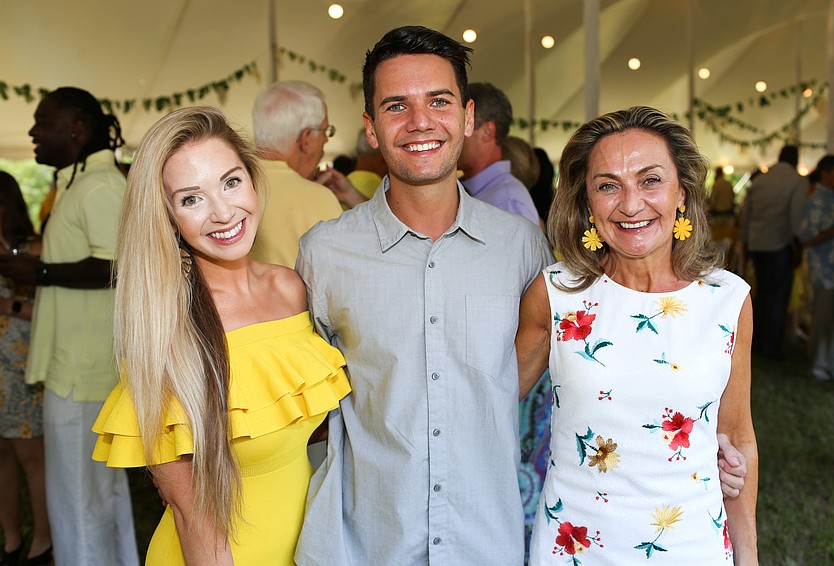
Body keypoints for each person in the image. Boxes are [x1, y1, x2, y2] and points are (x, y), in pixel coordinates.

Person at [293, 26, 554, 565]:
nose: (419, 123)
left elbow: (538, 349)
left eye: (439, 101)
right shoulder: (325, 254)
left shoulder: (522, 247)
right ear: (371, 127)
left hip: (486, 541)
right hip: (371, 542)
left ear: (466, 115)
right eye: (396, 106)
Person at [90, 107, 350, 564]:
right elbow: (193, 515)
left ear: (253, 179)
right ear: (168, 217)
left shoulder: (291, 289)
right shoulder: (166, 330)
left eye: (231, 182)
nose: (224, 211)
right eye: (192, 199)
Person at [517, 106, 758, 564]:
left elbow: (738, 438)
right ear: (587, 204)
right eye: (608, 185)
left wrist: (748, 557)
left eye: (650, 180)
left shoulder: (727, 300)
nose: (631, 205)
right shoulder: (554, 295)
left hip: (691, 547)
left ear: (682, 194)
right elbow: (489, 402)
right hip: (575, 549)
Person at [0, 87, 138, 566]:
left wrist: (36, 272)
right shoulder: (81, 182)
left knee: (78, 503)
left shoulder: (99, 185)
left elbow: (119, 266)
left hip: (84, 375)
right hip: (82, 371)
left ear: (76, 128)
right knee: (99, 496)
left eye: (43, 121)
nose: (34, 132)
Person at [0, 171, 52, 566]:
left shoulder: (33, 249)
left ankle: (44, 540)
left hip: (21, 366)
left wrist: (8, 306)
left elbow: (52, 313)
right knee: (2, 456)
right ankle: (12, 538)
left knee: (31, 457)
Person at [250, 80, 343, 269]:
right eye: (325, 131)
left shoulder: (230, 186)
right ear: (306, 139)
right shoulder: (318, 198)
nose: (326, 139)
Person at [739, 145, 807, 359]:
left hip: (758, 244)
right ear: (795, 159)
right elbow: (795, 217)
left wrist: (746, 242)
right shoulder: (797, 181)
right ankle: (772, 347)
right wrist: (798, 244)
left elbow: (745, 215)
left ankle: (756, 342)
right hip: (779, 245)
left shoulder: (761, 180)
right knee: (778, 298)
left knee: (761, 295)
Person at [457, 82, 541, 226]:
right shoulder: (473, 192)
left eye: (463, 126)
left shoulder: (507, 202)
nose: (453, 135)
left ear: (487, 132)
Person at [797, 154, 834, 381]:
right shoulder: (816, 200)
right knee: (822, 318)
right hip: (825, 271)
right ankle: (818, 365)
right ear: (825, 174)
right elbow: (806, 237)